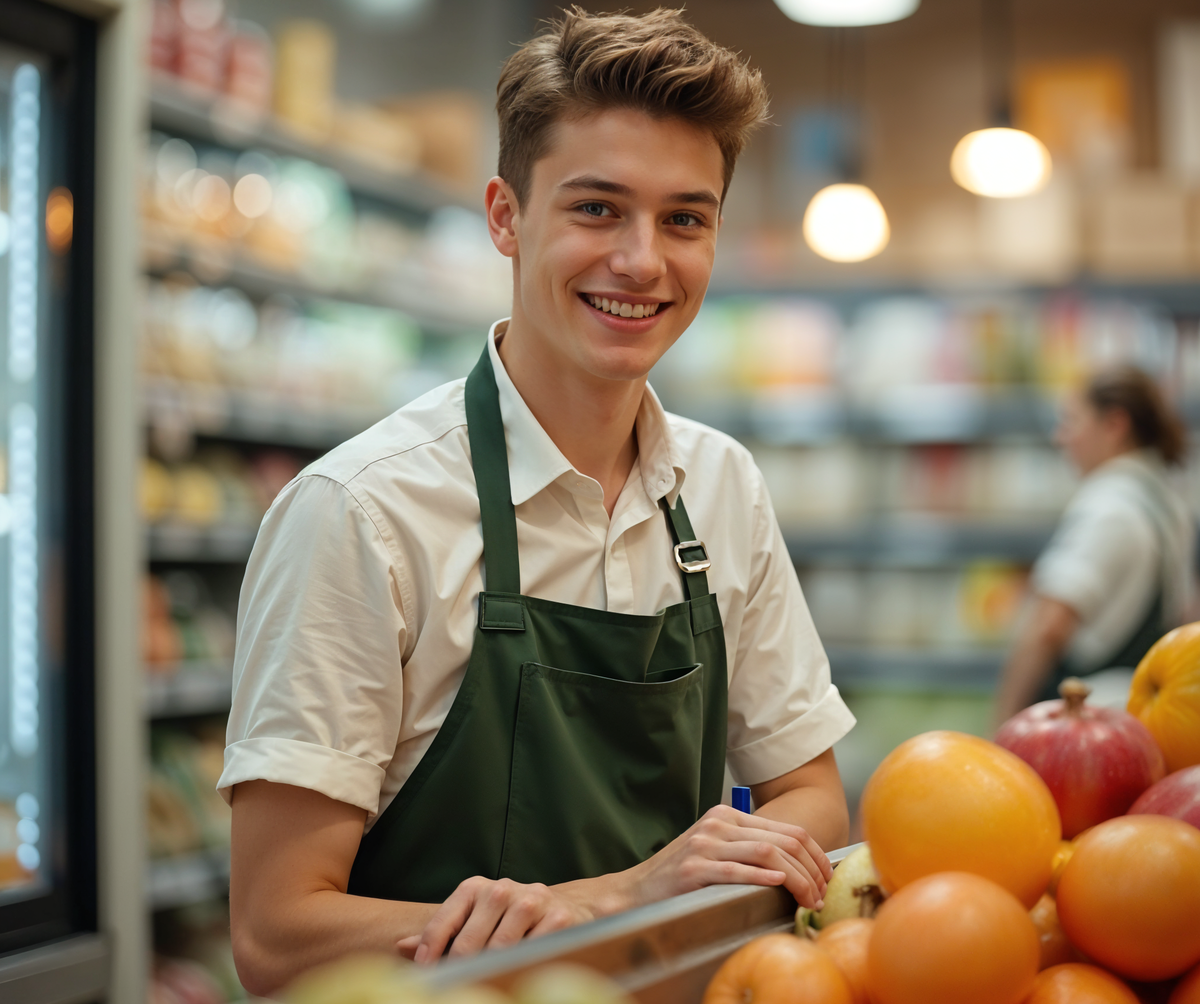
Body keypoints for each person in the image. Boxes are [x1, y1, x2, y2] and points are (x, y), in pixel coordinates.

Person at [220, 8, 856, 995]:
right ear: (506, 216)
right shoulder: (359, 513)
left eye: (684, 218)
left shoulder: (720, 485)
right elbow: (275, 930)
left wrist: (728, 859)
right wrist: (624, 894)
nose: (643, 260)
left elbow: (813, 793)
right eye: (597, 208)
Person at [993, 364, 1195, 724]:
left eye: (1070, 422)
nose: (1060, 437)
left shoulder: (1108, 507)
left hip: (1080, 723)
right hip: (1133, 718)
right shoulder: (1168, 501)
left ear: (1115, 425)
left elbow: (1048, 627)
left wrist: (1003, 723)